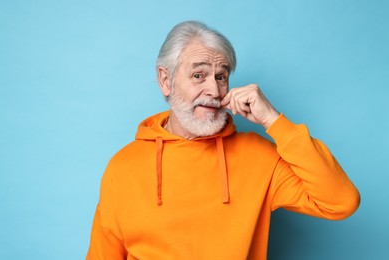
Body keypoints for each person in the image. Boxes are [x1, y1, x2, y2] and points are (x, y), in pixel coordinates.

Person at [86, 20, 360, 260]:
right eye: (198, 75)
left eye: (221, 76)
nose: (214, 90)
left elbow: (340, 202)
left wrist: (274, 121)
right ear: (165, 80)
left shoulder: (259, 156)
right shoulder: (122, 167)